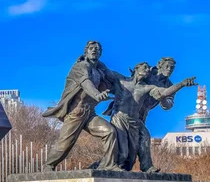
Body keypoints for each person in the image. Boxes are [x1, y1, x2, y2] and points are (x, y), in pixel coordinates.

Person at [105, 62, 196, 173]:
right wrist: (88, 60)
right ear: (136, 68)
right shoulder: (122, 80)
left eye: (148, 68)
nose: (148, 70)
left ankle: (147, 166)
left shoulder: (148, 87)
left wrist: (182, 84)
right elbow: (105, 71)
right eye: (145, 67)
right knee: (123, 153)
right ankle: (104, 166)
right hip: (120, 118)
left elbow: (165, 94)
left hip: (136, 119)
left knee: (144, 139)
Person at [42, 41, 118, 171]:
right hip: (76, 112)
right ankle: (48, 166)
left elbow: (115, 78)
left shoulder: (99, 70)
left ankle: (108, 165)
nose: (95, 50)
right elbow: (86, 83)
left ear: (100, 53)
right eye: (92, 48)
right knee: (65, 144)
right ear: (86, 51)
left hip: (90, 113)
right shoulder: (80, 66)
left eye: (98, 49)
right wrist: (97, 95)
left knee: (109, 132)